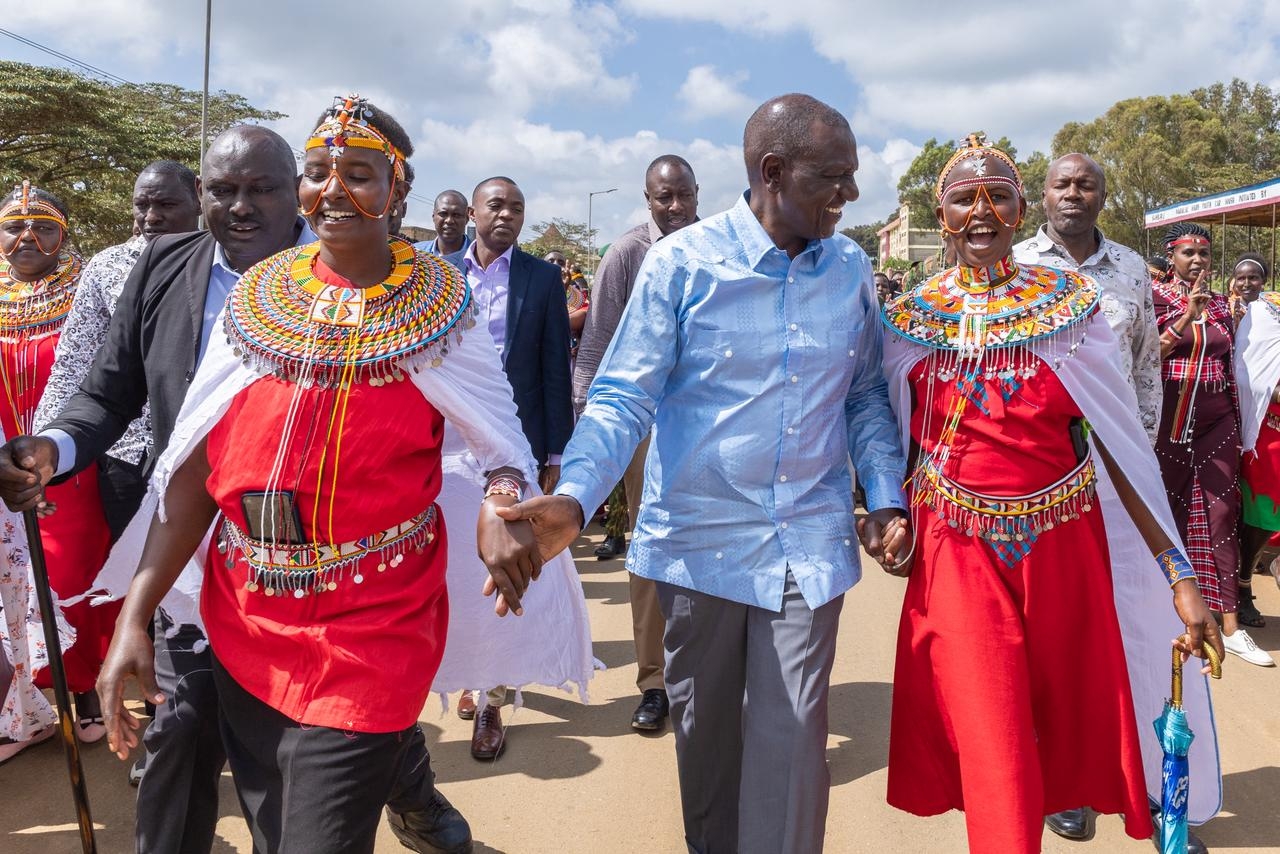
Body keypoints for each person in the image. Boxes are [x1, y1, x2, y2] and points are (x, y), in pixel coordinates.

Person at [91, 95, 544, 854]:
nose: (332, 189)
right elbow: (200, 464)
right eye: (317, 172)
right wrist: (135, 615)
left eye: (359, 173)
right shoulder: (260, 300)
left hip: (375, 625)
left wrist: (503, 501)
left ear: (397, 191)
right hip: (248, 617)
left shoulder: (437, 307)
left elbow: (503, 446)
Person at [0, 126, 468, 854]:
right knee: (179, 736)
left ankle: (407, 785)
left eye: (263, 190)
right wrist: (50, 447)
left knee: (301, 765)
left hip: (334, 576)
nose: (242, 207)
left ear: (299, 197)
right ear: (199, 195)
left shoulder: (355, 283)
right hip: (187, 546)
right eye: (222, 191)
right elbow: (104, 394)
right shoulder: (160, 268)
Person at [498, 94, 909, 854]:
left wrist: (884, 497)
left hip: (808, 547)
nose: (849, 197)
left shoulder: (850, 267)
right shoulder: (681, 265)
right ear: (772, 172)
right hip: (698, 549)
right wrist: (576, 496)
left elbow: (864, 396)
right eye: (835, 179)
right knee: (709, 757)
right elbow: (624, 394)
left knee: (791, 753)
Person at [880, 135, 1222, 854]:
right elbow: (895, 433)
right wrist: (883, 512)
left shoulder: (1074, 307)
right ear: (940, 215)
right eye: (963, 199)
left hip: (1063, 546)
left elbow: (1121, 445)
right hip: (956, 553)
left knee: (1066, 723)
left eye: (997, 196)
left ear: (1020, 208)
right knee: (992, 735)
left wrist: (1176, 572)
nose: (981, 211)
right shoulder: (910, 318)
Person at [442, 176, 573, 760]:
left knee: (504, 565)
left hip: (512, 450)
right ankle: (469, 672)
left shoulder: (542, 280)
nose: (507, 215)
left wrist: (552, 457)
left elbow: (553, 369)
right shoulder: (433, 274)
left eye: (517, 207)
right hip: (443, 448)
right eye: (496, 205)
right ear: (472, 211)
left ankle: (492, 698)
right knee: (451, 569)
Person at [571, 153, 699, 731]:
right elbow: (597, 343)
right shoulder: (626, 255)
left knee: (706, 550)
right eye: (662, 198)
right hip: (643, 426)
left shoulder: (716, 248)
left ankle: (704, 674)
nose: (674, 207)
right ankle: (654, 682)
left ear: (697, 194)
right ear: (648, 200)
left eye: (683, 196)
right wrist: (589, 433)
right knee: (650, 552)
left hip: (706, 427)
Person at [0, 182, 115, 744]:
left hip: (67, 465)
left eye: (43, 225)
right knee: (13, 584)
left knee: (70, 577)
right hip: (2, 468)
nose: (27, 237)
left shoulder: (86, 294)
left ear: (63, 233)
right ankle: (27, 700)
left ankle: (83, 684)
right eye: (12, 226)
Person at [35, 161, 200, 543]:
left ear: (198, 199)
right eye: (142, 205)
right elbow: (73, 362)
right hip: (125, 454)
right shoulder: (107, 267)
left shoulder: (222, 262)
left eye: (167, 205)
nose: (152, 217)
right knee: (133, 572)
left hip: (201, 451)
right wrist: (44, 448)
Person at [1153, 223, 1269, 666]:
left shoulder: (1225, 305)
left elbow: (1240, 358)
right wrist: (1185, 315)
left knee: (1222, 512)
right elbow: (1147, 355)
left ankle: (1232, 625)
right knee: (1169, 509)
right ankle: (1170, 610)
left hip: (1217, 419)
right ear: (1172, 257)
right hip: (1166, 422)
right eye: (1188, 253)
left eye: (1204, 253)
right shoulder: (1154, 300)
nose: (1198, 260)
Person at [1232, 251, 1278, 634]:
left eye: (1254, 278)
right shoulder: (1222, 311)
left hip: (1269, 428)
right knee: (1253, 515)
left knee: (1263, 516)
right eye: (1241, 277)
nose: (1247, 284)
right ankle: (1242, 587)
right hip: (1238, 427)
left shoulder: (1271, 316)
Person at [417, 189, 471, 256]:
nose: (449, 221)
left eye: (456, 215)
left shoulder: (479, 257)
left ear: (467, 218)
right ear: (433, 216)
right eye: (443, 214)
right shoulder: (415, 253)